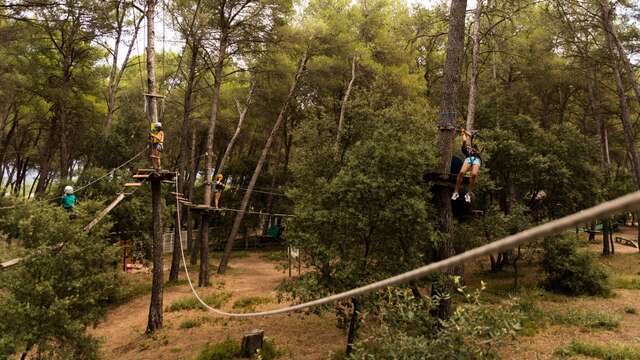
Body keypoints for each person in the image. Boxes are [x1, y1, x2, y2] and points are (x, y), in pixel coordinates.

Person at [451, 128, 481, 203]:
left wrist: (465, 131)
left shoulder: (474, 148)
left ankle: (468, 194)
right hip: (468, 159)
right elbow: (464, 141)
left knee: (474, 174)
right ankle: (456, 192)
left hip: (476, 159)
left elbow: (470, 136)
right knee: (461, 173)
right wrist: (462, 133)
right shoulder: (465, 149)